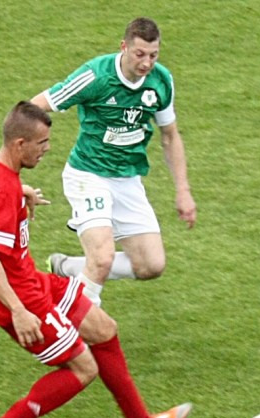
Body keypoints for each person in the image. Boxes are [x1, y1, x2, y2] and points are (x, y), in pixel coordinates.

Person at [0, 101, 191, 418]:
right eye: (41, 143)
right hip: (21, 298)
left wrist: (20, 193)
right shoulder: (0, 187)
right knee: (84, 368)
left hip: (33, 280)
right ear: (19, 144)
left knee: (103, 328)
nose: (47, 149)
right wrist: (18, 310)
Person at [30, 17, 196, 306]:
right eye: (140, 54)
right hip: (88, 175)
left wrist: (183, 190)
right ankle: (75, 326)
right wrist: (30, 149)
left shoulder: (161, 81)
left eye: (153, 55)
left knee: (151, 265)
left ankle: (68, 269)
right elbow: (35, 106)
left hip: (127, 179)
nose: (146, 63)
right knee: (102, 258)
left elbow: (170, 136)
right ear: (124, 47)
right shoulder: (96, 75)